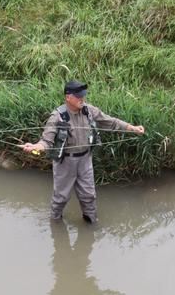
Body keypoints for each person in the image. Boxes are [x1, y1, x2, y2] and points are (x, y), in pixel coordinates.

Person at [20, 79, 145, 223]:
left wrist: (132, 128)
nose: (82, 99)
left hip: (85, 160)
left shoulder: (89, 110)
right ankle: (55, 224)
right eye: (78, 96)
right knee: (61, 197)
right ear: (68, 97)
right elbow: (46, 141)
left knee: (89, 196)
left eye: (83, 95)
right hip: (65, 162)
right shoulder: (57, 116)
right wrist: (36, 147)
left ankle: (91, 224)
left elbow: (110, 122)